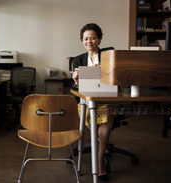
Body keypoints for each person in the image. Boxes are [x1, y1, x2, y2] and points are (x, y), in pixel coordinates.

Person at [72, 23, 112, 180]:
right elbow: (75, 87)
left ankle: (100, 159)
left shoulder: (108, 55)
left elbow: (116, 77)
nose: (89, 41)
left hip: (105, 99)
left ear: (99, 39)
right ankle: (102, 146)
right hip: (85, 101)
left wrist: (106, 68)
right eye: (86, 38)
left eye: (93, 38)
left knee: (106, 120)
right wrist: (76, 80)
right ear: (82, 40)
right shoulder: (77, 60)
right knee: (91, 117)